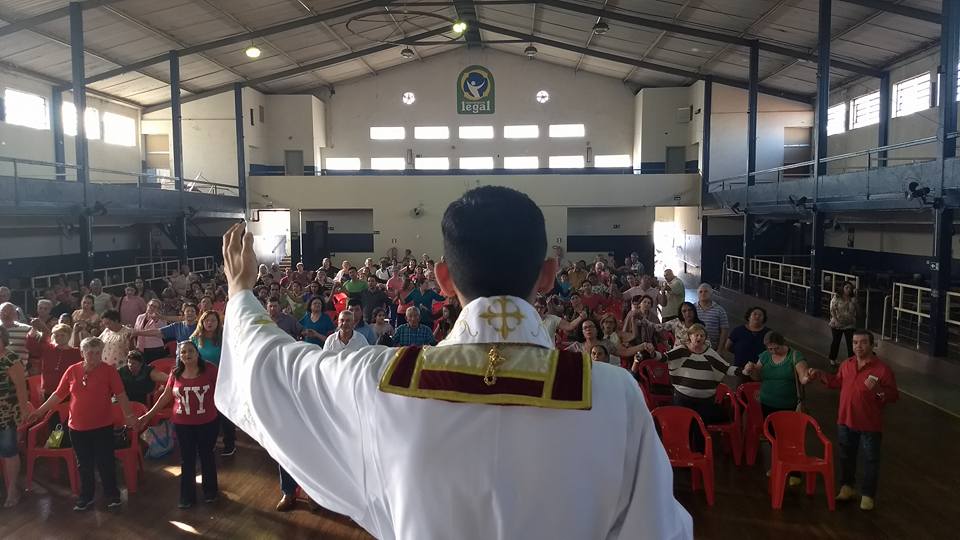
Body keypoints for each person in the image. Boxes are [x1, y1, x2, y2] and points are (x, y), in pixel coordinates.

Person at [215, 186, 692, 539]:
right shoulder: (613, 396)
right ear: (547, 275)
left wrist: (240, 294)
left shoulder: (382, 379)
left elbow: (276, 366)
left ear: (442, 279)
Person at [26, 337, 137, 511]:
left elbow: (121, 395)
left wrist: (129, 415)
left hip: (102, 425)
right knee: (84, 464)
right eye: (90, 352)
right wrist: (39, 411)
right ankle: (87, 496)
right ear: (82, 353)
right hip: (77, 427)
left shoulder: (109, 371)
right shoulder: (72, 370)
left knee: (105, 462)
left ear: (102, 353)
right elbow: (58, 395)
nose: (93, 356)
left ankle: (112, 495)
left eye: (97, 353)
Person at [808, 330, 898, 511]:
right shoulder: (847, 364)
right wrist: (820, 375)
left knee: (871, 460)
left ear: (872, 345)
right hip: (845, 420)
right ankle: (847, 487)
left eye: (863, 342)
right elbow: (836, 382)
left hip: (869, 424)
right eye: (855, 342)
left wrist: (879, 391)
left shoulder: (882, 369)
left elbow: (893, 395)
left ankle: (867, 495)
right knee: (845, 456)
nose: (858, 346)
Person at [139, 341, 220, 509]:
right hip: (183, 424)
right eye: (183, 352)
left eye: (190, 351)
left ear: (197, 353)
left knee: (207, 456)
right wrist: (149, 415)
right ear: (179, 356)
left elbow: (223, 388)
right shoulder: (175, 373)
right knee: (187, 459)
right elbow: (166, 397)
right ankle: (187, 496)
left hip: (207, 422)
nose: (187, 354)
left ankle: (210, 491)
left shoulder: (210, 369)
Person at [639, 324, 745, 450]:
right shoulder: (682, 350)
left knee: (700, 427)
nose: (699, 338)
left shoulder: (710, 353)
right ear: (690, 337)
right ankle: (682, 449)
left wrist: (743, 371)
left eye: (702, 335)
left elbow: (726, 368)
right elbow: (664, 358)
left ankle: (699, 452)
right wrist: (652, 353)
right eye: (696, 335)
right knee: (682, 425)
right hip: (682, 398)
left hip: (705, 401)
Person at [744, 331, 812, 486]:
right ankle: (778, 465)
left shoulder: (795, 356)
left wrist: (807, 377)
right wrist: (752, 369)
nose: (773, 351)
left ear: (783, 344)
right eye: (770, 348)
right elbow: (757, 377)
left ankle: (795, 471)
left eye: (776, 348)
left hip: (789, 405)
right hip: (767, 402)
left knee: (790, 438)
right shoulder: (765, 356)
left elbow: (802, 376)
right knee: (773, 438)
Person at [0, 326, 32, 507]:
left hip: (7, 415)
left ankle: (12, 491)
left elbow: (21, 389)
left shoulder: (11, 358)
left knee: (9, 451)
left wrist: (23, 412)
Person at [26, 323, 82, 399]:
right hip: (48, 390)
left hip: (67, 391)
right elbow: (31, 346)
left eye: (62, 335)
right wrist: (34, 328)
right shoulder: (48, 348)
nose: (59, 338)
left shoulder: (76, 353)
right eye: (56, 335)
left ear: (69, 336)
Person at [828, 281, 858, 367]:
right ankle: (832, 358)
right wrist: (836, 320)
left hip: (849, 324)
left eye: (850, 288)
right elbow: (832, 309)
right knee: (836, 341)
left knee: (851, 343)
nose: (848, 290)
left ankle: (852, 360)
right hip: (837, 323)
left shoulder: (853, 299)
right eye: (846, 288)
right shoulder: (837, 298)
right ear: (843, 288)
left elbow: (857, 310)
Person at [695, 284, 729, 351]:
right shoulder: (692, 309)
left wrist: (719, 350)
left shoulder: (720, 310)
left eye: (706, 291)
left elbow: (724, 331)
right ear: (698, 294)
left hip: (713, 349)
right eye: (700, 292)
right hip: (695, 347)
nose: (703, 294)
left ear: (711, 294)